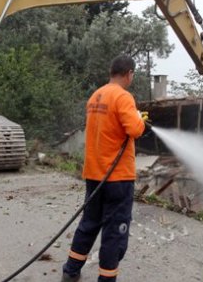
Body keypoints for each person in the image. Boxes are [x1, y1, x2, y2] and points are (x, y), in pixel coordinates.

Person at [61, 55, 146, 282]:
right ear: (129, 73)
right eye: (132, 75)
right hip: (117, 178)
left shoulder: (95, 96)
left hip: (94, 174)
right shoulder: (123, 97)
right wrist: (140, 118)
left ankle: (70, 271)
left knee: (89, 223)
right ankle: (106, 279)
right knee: (114, 232)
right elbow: (135, 130)